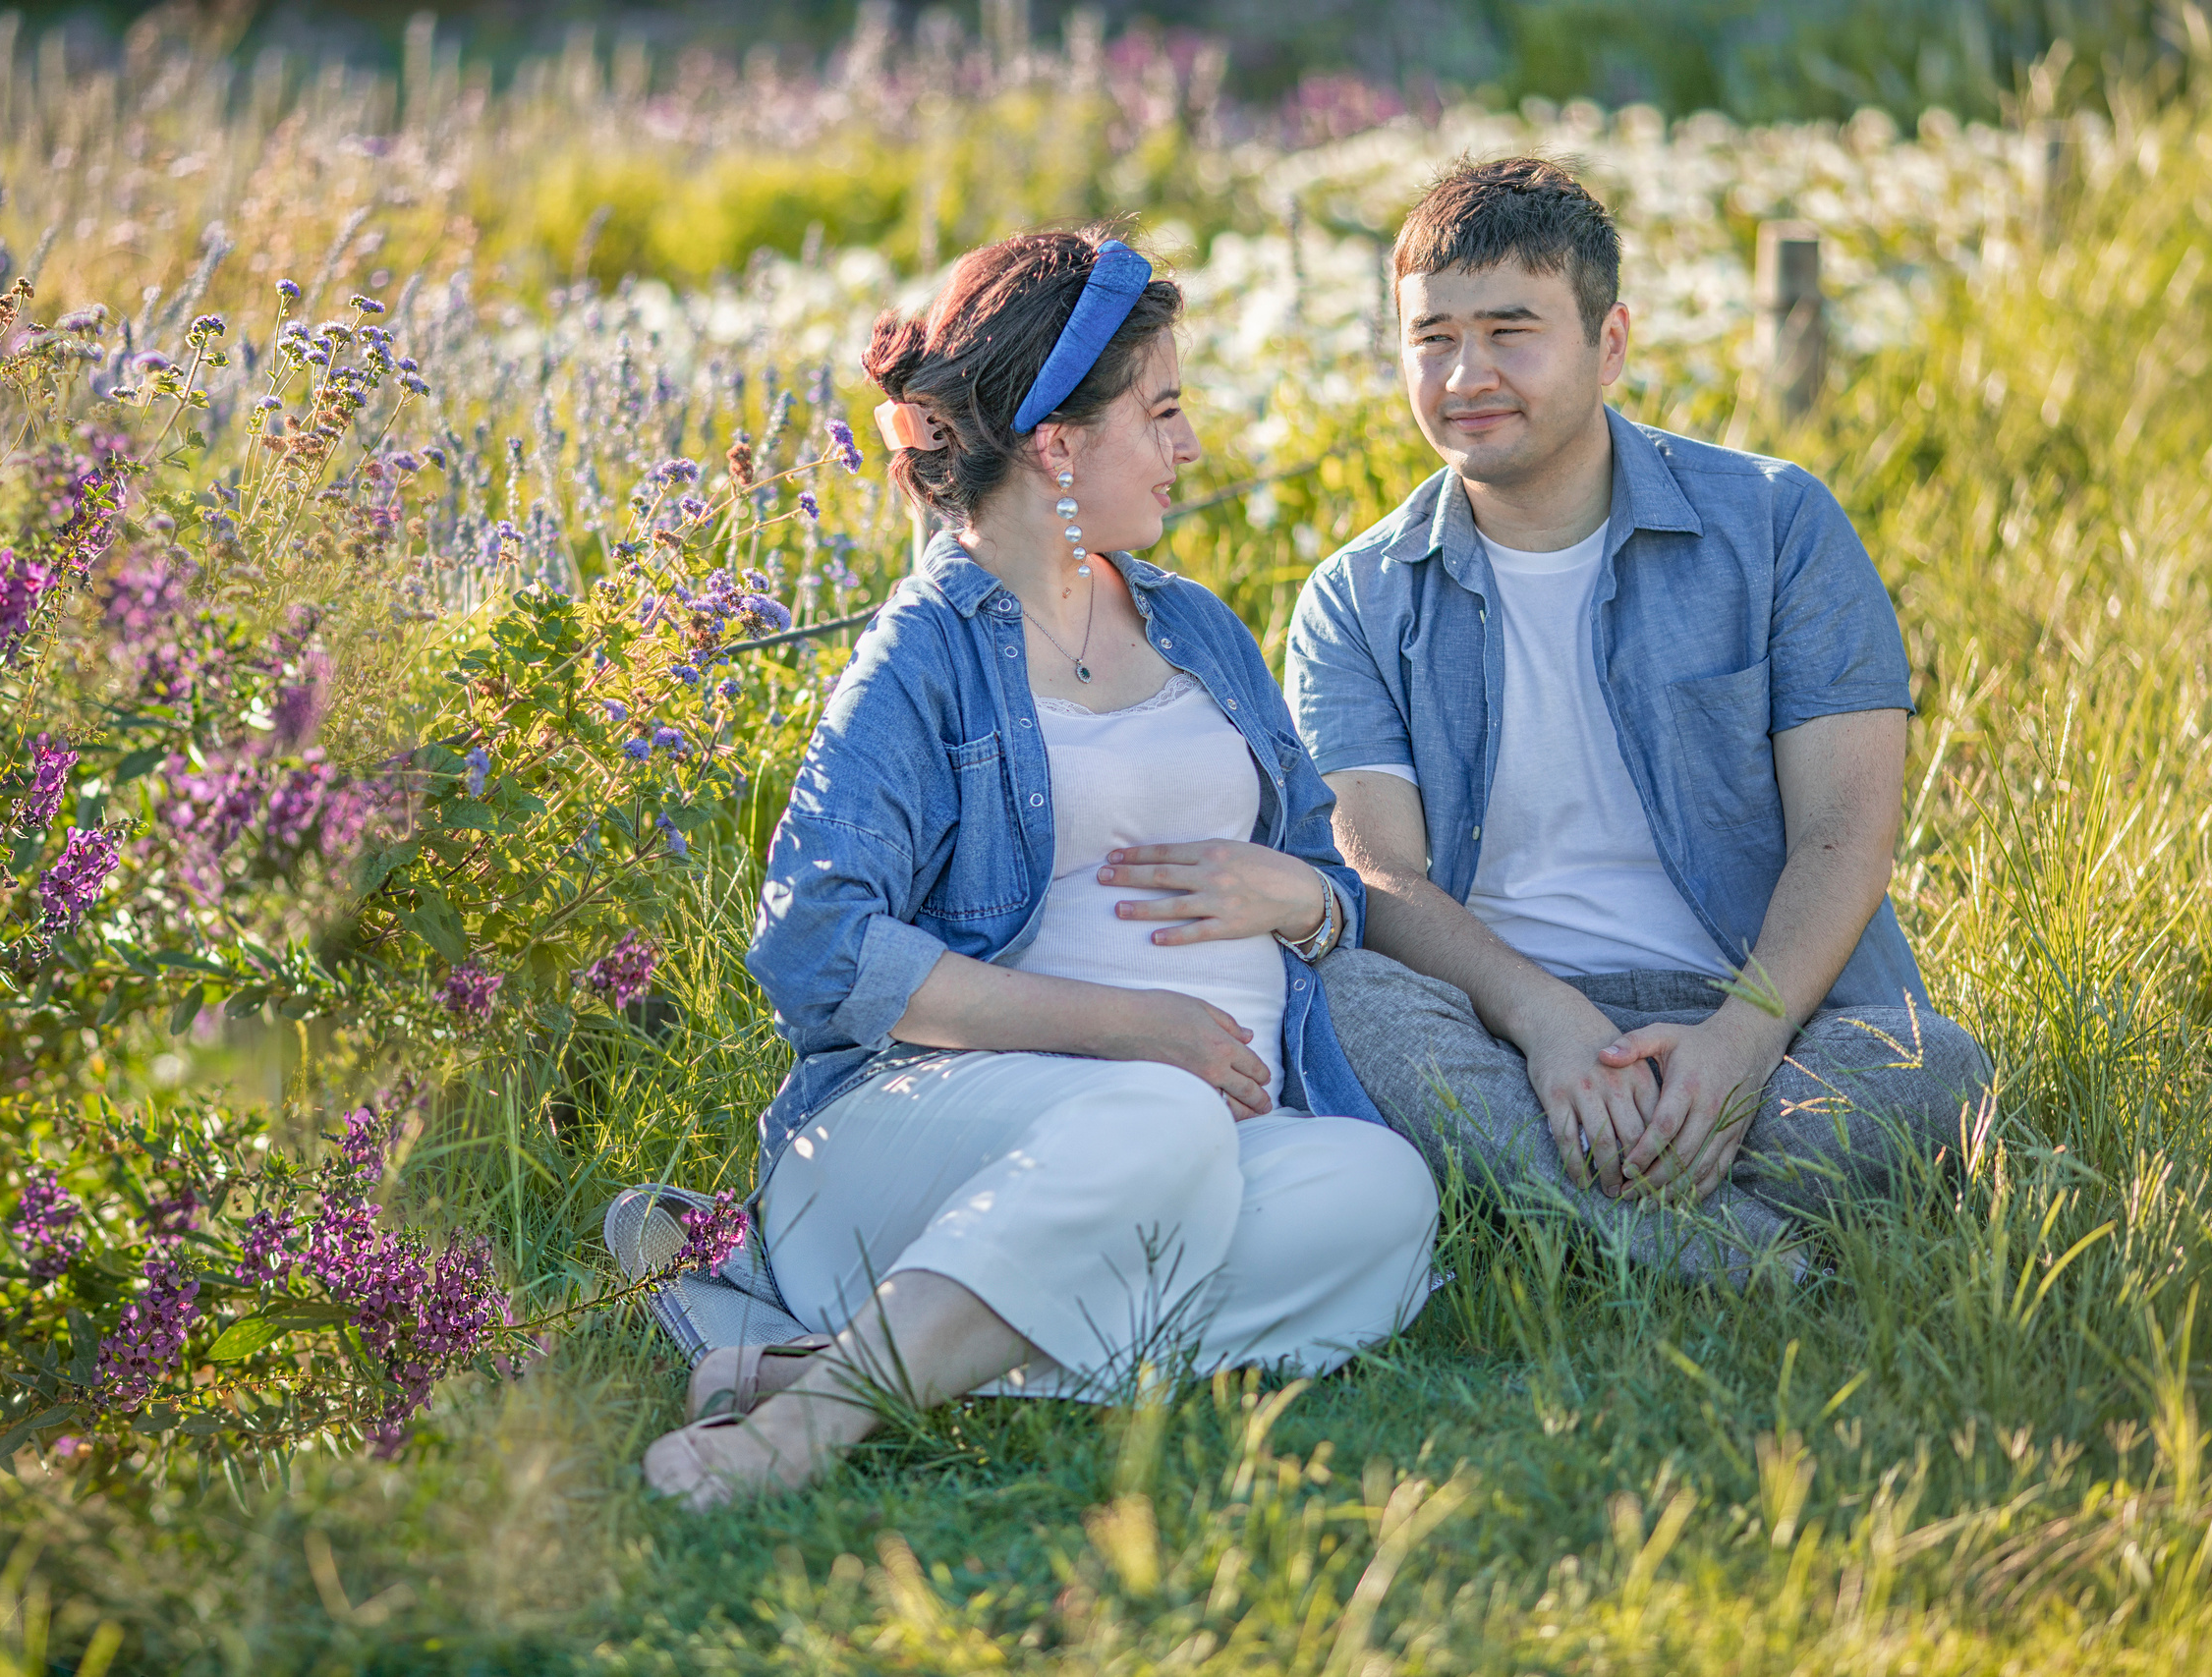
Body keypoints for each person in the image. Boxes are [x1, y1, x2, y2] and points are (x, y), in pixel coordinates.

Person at [643, 230, 1439, 1508]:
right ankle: (814, 1426)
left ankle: (839, 1357)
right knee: (1156, 1115)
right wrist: (1132, 1029)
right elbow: (819, 944)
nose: (1189, 445)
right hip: (925, 1145)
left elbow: (1311, 869)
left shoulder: (1196, 627)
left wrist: (1303, 900)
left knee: (1381, 1196)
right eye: (1162, 412)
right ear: (1058, 444)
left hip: (1185, 1153)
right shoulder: (926, 658)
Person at [1283, 158, 1991, 1283]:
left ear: (1609, 343)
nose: (1466, 374)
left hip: (1765, 1004)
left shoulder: (1774, 523)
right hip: (1500, 1027)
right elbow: (1381, 880)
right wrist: (1550, 1023)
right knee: (1337, 1001)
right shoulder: (1356, 596)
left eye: (1511, 330)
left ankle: (1561, 1213)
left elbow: (1843, 837)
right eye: (1432, 338)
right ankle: (1726, 1251)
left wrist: (1742, 1044)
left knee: (1928, 1069)